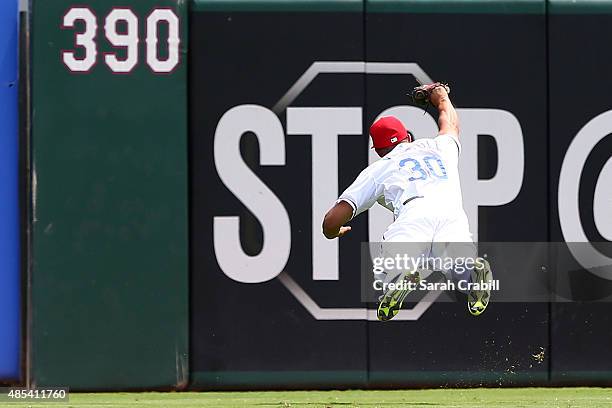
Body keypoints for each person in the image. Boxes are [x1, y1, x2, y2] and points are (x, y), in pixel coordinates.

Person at [322, 84, 492, 321]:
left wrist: (332, 232)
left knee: (390, 268)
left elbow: (332, 219)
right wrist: (441, 96)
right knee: (455, 265)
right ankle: (470, 271)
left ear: (379, 150)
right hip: (451, 214)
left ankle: (400, 275)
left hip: (413, 217)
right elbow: (450, 123)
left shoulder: (379, 168)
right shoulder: (440, 147)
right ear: (408, 137)